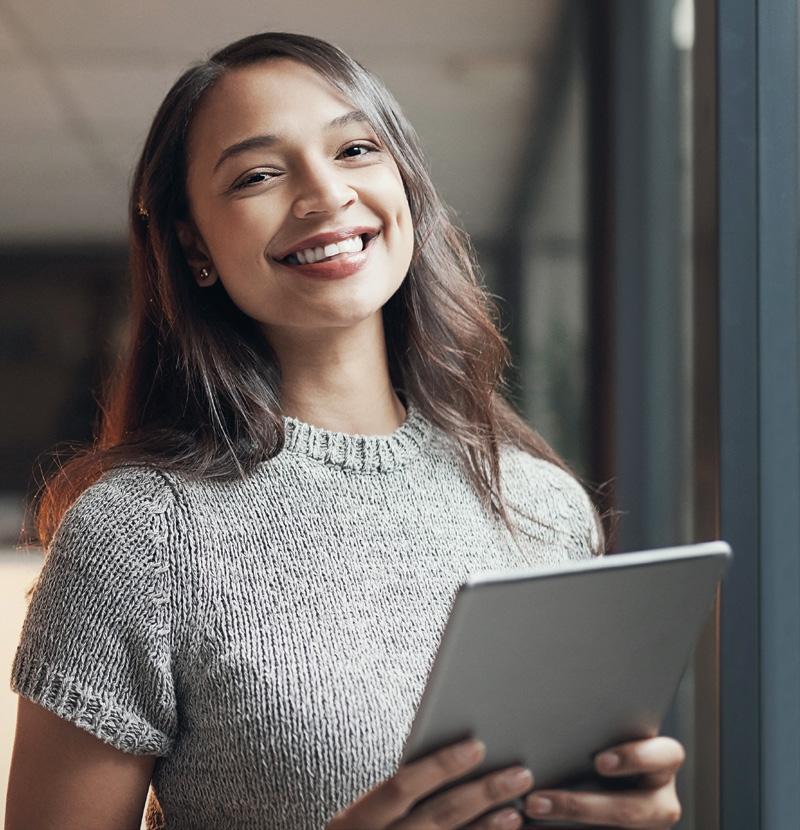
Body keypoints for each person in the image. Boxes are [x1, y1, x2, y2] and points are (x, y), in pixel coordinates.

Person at [5, 32, 684, 830]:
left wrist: (628, 810)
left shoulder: (541, 504)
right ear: (195, 246)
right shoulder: (139, 537)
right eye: (258, 174)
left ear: (405, 184)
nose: (324, 195)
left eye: (356, 149)